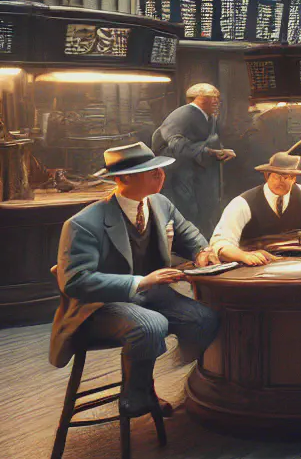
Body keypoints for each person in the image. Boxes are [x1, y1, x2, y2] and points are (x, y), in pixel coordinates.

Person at [50, 143, 249, 417]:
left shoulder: (160, 203)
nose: (160, 174)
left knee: (204, 318)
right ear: (122, 179)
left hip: (152, 297)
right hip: (100, 306)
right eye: (149, 170)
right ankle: (136, 396)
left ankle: (164, 377)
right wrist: (140, 282)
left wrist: (202, 253)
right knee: (151, 324)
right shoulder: (83, 223)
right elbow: (75, 281)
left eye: (159, 168)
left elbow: (188, 234)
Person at [210, 152, 301, 261]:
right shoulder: (243, 203)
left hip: (290, 261)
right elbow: (220, 242)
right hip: (254, 266)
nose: (282, 182)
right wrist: (243, 256)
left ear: (294, 179)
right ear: (267, 176)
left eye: (288, 177)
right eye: (277, 176)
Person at [151, 83, 236, 232]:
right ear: (199, 99)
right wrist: (208, 151)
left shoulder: (210, 119)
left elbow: (208, 143)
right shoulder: (183, 114)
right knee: (186, 213)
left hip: (200, 177)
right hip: (180, 176)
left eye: (217, 98)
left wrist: (221, 151)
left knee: (205, 213)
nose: (216, 101)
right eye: (212, 97)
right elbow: (174, 143)